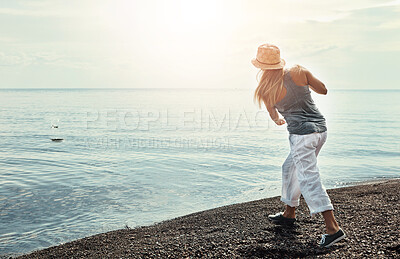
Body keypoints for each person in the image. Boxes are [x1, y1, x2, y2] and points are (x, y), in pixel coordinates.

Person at [251, 43, 346, 248]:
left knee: (308, 177)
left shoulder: (266, 89)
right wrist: (303, 84)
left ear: (261, 67)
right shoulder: (299, 71)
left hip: (302, 137)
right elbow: (323, 90)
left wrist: (279, 120)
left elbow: (274, 115)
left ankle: (333, 229)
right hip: (320, 130)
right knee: (289, 167)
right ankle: (289, 212)